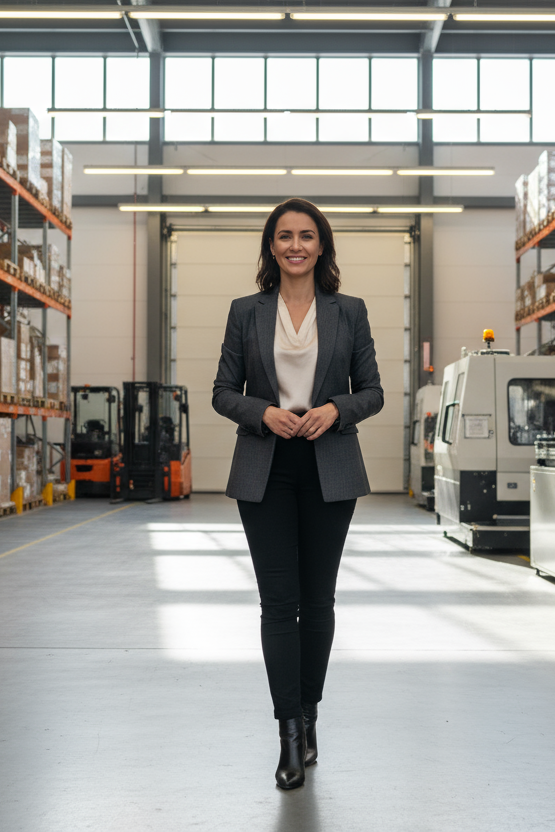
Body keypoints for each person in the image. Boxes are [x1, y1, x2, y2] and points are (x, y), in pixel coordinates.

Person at [212, 198, 383, 790]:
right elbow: (222, 391)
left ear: (322, 246)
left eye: (306, 236)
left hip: (328, 467)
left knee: (320, 602)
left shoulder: (350, 311)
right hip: (266, 468)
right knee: (278, 605)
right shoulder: (245, 312)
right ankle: (287, 733)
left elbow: (374, 392)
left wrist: (336, 408)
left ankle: (310, 717)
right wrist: (263, 413)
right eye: (284, 236)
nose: (295, 245)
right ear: (270, 246)